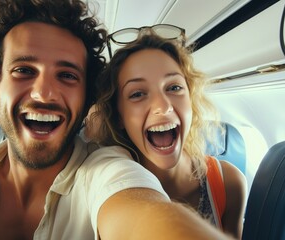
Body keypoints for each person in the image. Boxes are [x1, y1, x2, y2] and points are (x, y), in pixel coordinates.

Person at [0, 0, 233, 239]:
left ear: (86, 97)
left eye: (67, 75)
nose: (44, 93)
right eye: (24, 70)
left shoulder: (107, 172)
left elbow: (139, 211)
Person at [88, 30, 247, 238]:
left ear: (191, 99)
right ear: (120, 117)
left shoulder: (230, 183)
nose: (163, 107)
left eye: (174, 87)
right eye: (137, 94)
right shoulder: (110, 185)